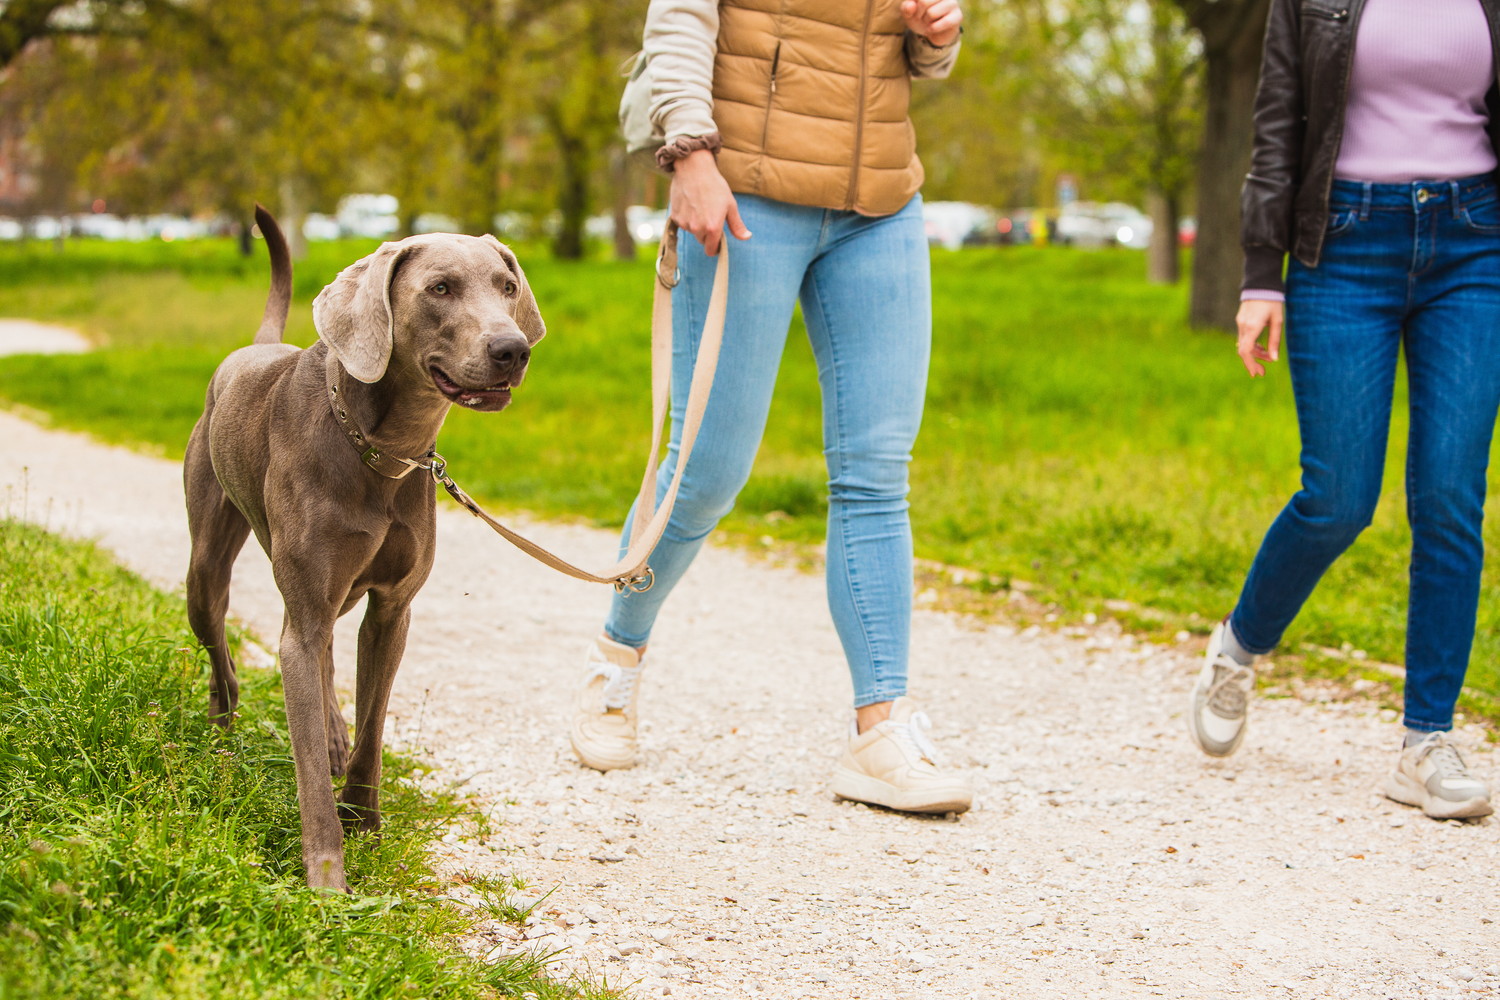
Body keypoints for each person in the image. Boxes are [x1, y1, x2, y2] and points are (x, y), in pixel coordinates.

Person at [569, 0, 973, 815]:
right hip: (745, 193)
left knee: (876, 470)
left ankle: (879, 728)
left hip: (881, 202)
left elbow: (909, 50)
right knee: (706, 471)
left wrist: (939, 36)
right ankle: (617, 660)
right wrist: (687, 153)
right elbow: (680, 23)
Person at [1189, 0, 1500, 820]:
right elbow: (1277, 123)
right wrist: (1261, 274)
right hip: (1344, 243)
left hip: (1476, 242)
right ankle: (1240, 644)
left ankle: (1426, 743)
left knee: (1449, 499)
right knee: (1337, 497)